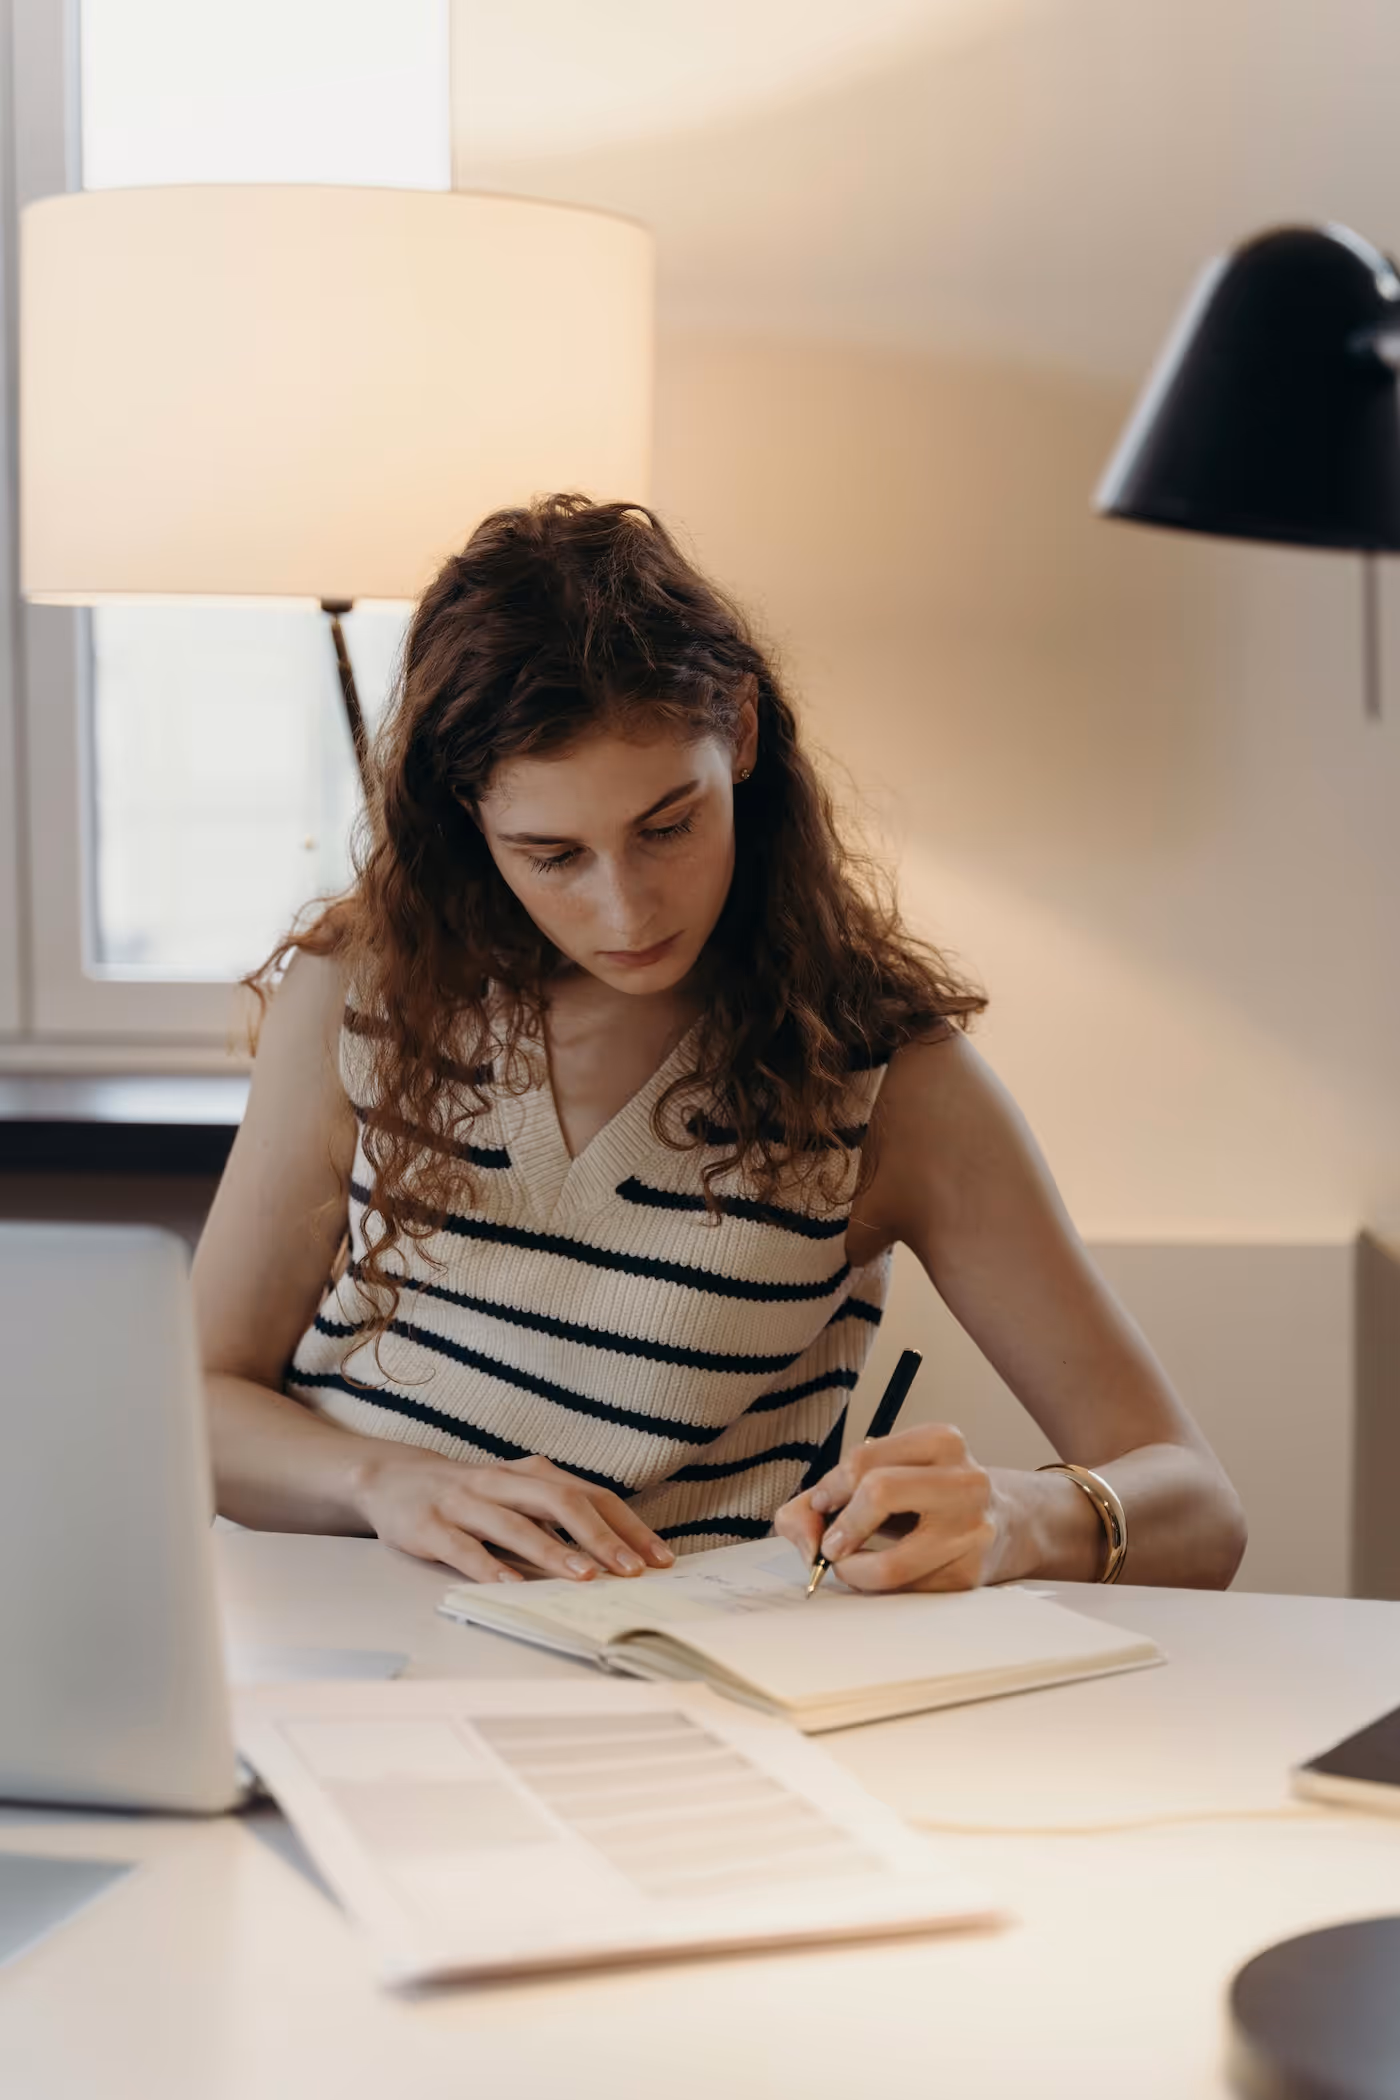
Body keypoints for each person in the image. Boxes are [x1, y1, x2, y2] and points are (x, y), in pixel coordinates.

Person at [195, 495, 1247, 1595]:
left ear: (738, 734)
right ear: (466, 818)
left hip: (652, 1694)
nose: (625, 911)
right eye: (551, 855)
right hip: (319, 1664)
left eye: (667, 827)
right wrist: (385, 1483)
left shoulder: (883, 1082)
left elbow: (1199, 1512)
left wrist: (1022, 1518)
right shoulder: (359, 990)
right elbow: (199, 1401)